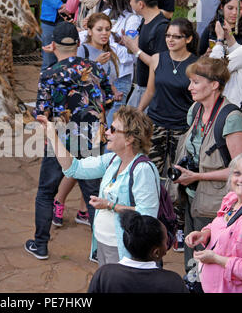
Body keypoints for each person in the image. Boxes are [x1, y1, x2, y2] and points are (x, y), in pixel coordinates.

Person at [25, 21, 114, 260]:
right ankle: (99, 251)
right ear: (79, 43)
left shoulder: (49, 74)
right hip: (91, 140)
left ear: (52, 44)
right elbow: (108, 100)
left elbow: (42, 113)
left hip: (61, 141)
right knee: (94, 195)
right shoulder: (95, 68)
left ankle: (41, 245)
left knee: (46, 192)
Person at [36, 105, 160, 266]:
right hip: (103, 245)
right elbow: (74, 168)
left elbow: (147, 214)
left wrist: (109, 205)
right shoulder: (113, 160)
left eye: (114, 130)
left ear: (129, 139)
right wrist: (53, 135)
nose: (107, 132)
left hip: (125, 251)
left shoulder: (143, 170)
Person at [172, 57, 242, 272]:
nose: (190, 87)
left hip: (215, 204)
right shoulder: (195, 111)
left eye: (196, 82)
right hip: (191, 196)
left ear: (214, 84)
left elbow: (241, 171)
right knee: (191, 258)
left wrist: (197, 177)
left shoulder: (231, 118)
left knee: (208, 264)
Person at [185, 150, 242, 293]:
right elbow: (221, 226)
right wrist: (205, 234)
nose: (241, 180)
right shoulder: (232, 199)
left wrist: (217, 259)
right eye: (237, 173)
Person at [139, 18, 199, 175]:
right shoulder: (157, 59)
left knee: (178, 174)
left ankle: (174, 201)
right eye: (168, 35)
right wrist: (139, 111)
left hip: (182, 127)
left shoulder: (196, 65)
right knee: (150, 171)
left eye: (176, 36)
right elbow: (150, 91)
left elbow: (198, 99)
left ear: (188, 39)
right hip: (156, 123)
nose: (170, 40)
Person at [88, 210, 189, 293]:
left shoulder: (105, 274)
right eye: (166, 242)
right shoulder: (173, 282)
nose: (167, 246)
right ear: (156, 252)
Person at [99, 0, 142, 128]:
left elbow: (130, 54)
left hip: (120, 77)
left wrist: (107, 44)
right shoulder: (106, 13)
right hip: (103, 76)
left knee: (113, 124)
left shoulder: (132, 19)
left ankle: (110, 150)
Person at [122, 0, 169, 109]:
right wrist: (128, 42)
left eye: (131, 1)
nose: (130, 4)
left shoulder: (161, 27)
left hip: (151, 92)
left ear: (141, 4)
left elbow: (159, 64)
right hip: (140, 86)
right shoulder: (145, 21)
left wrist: (135, 49)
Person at [37, 0, 72, 71]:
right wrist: (60, 5)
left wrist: (70, 7)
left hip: (72, 20)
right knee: (49, 61)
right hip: (50, 21)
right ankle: (46, 82)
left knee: (70, 60)